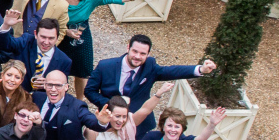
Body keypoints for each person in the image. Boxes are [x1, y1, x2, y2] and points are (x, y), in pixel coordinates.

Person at [58, 0, 158, 98]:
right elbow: (49, 20)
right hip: (61, 35)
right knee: (59, 69)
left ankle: (79, 101)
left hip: (81, 37)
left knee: (82, 72)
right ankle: (59, 98)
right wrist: (66, 32)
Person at [85, 34, 217, 132]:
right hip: (109, 119)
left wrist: (201, 69)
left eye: (143, 54)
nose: (137, 56)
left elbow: (172, 71)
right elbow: (89, 91)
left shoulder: (150, 66)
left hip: (140, 124)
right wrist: (110, 105)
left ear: (148, 54)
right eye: (135, 51)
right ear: (128, 48)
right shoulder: (105, 66)